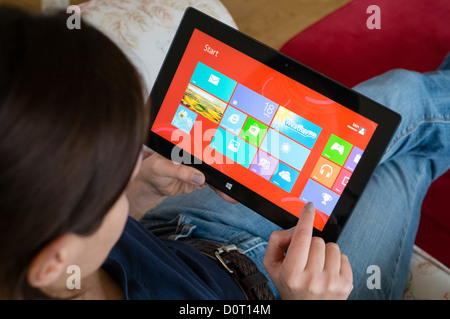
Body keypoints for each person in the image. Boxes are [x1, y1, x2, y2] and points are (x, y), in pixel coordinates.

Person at [1, 6, 449, 300]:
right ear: (55, 261)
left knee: (400, 99)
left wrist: (136, 195)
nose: (128, 171)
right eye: (112, 186)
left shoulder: (36, 225)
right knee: (409, 157)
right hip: (276, 292)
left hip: (178, 231)